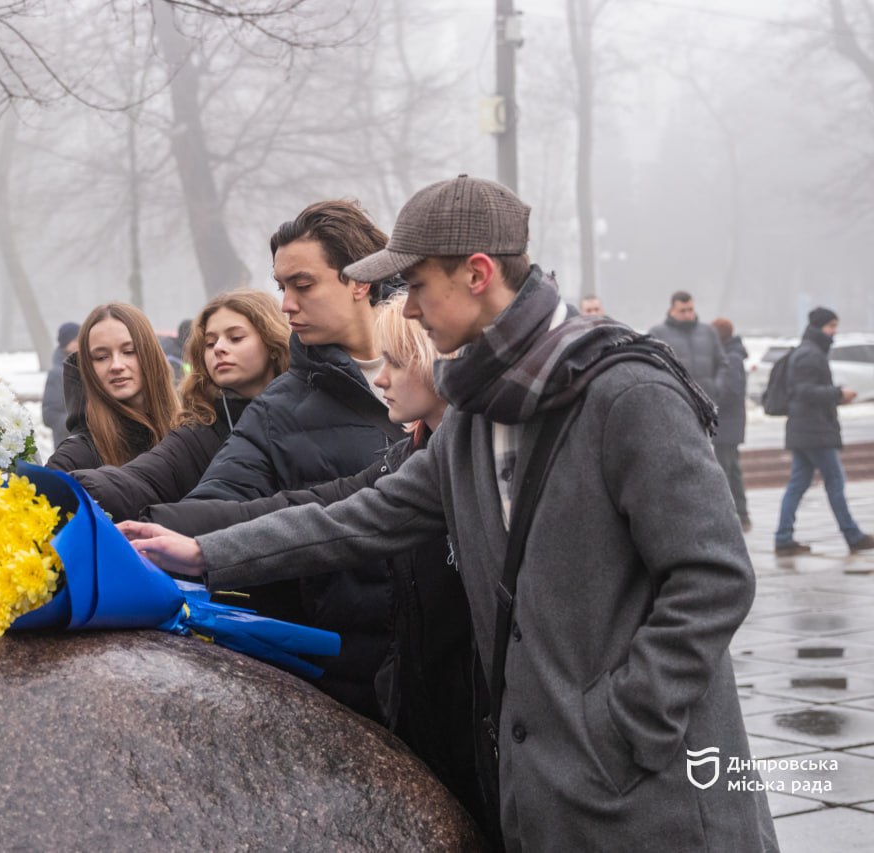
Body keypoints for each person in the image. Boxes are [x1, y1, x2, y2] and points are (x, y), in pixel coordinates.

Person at [123, 175, 777, 851]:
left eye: (416, 285)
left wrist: (626, 720)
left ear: (478, 273)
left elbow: (713, 577)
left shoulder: (627, 392)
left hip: (661, 802)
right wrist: (204, 553)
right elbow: (361, 516)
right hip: (548, 803)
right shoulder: (474, 415)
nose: (405, 309)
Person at [143, 291, 481, 822]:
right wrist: (195, 545)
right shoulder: (409, 459)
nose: (380, 378)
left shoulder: (477, 454)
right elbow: (322, 516)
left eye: (395, 363)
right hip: (430, 712)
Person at [157, 199, 405, 723]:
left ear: (360, 281)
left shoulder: (444, 365)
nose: (287, 305)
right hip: (358, 684)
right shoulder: (278, 410)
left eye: (303, 284)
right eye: (281, 287)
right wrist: (141, 529)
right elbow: (217, 503)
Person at [66, 291, 289, 521]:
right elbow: (147, 476)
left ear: (272, 342)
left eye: (235, 338)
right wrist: (67, 486)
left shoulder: (308, 408)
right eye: (210, 343)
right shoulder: (199, 431)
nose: (219, 348)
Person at [774, 307, 874, 556]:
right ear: (819, 327)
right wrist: (838, 393)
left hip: (806, 429)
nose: (834, 332)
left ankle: (783, 537)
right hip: (814, 430)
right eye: (831, 326)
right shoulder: (810, 354)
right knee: (834, 481)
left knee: (798, 484)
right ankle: (853, 535)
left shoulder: (809, 350)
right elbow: (804, 391)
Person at [46, 303, 178, 472]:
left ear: (151, 355)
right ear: (87, 367)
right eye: (101, 357)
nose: (116, 365)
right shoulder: (75, 456)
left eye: (129, 351)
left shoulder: (189, 432)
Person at [647, 290, 727, 402]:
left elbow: (722, 363)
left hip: (707, 399)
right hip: (674, 399)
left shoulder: (709, 331)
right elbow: (651, 367)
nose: (687, 315)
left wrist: (717, 387)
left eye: (690, 310)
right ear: (672, 310)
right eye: (682, 311)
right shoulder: (657, 333)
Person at [710, 317, 751, 531]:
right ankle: (741, 514)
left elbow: (728, 390)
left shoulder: (730, 357)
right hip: (730, 422)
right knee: (732, 469)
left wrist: (710, 398)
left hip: (727, 422)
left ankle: (729, 516)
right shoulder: (731, 354)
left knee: (725, 470)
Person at [42, 321, 80, 446]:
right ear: (66, 343)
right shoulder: (57, 374)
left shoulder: (87, 369)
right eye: (76, 339)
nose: (80, 343)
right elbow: (49, 415)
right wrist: (78, 424)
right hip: (69, 445)